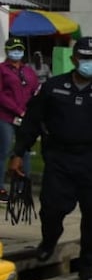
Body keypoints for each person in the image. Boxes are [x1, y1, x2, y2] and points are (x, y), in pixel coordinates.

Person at [9, 37, 92, 280]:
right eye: (85, 58)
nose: (90, 63)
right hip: (60, 160)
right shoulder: (53, 88)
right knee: (51, 209)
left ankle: (87, 265)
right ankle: (48, 242)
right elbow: (32, 122)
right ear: (74, 59)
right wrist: (19, 152)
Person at [0, 37, 40, 184]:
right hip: (6, 117)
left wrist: (32, 111)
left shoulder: (28, 71)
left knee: (24, 151)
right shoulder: (2, 69)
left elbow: (35, 91)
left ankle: (22, 187)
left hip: (25, 117)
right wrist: (17, 110)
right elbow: (1, 95)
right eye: (13, 49)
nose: (16, 52)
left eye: (19, 49)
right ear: (7, 50)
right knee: (4, 151)